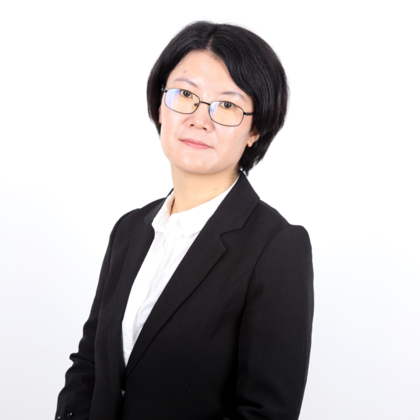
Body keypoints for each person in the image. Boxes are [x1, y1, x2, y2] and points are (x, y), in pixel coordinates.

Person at [55, 21, 314, 420]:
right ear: (161, 106)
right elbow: (90, 364)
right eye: (186, 95)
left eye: (227, 105)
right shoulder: (130, 229)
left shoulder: (277, 247)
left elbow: (266, 413)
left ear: (255, 130)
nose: (199, 118)